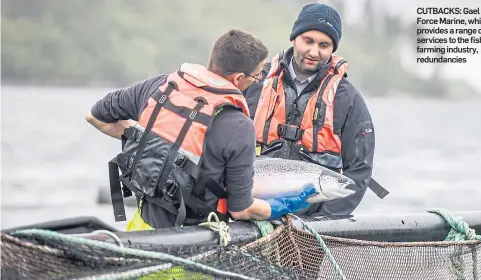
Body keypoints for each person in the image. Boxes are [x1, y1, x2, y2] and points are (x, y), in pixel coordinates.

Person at [85, 28, 317, 232]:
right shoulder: (239, 126)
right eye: (256, 76)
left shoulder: (159, 87)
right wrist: (285, 205)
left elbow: (95, 117)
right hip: (194, 245)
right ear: (238, 78)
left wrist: (146, 140)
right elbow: (242, 209)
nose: (257, 81)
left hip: (140, 235)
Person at [244, 3, 388, 217]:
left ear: (333, 48)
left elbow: (359, 172)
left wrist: (325, 219)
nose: (314, 51)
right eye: (308, 41)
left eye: (324, 45)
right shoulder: (255, 82)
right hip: (250, 212)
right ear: (294, 38)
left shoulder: (347, 99)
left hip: (313, 221)